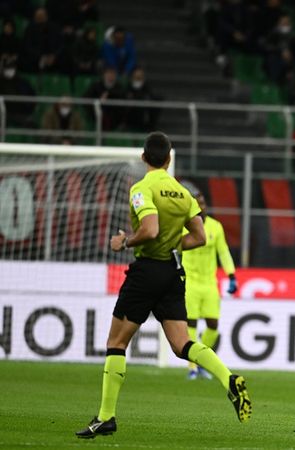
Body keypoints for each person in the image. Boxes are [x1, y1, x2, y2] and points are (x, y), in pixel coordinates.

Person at [75, 132, 251, 438]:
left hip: (146, 271)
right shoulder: (183, 194)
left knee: (116, 343)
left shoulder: (142, 188)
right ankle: (229, 379)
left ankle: (106, 416)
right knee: (182, 344)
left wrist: (125, 241)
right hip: (174, 273)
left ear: (144, 157)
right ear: (169, 159)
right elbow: (199, 237)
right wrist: (174, 246)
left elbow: (150, 228)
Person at [180, 182, 238, 380]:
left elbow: (223, 252)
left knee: (213, 325)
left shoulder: (216, 227)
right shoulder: (183, 226)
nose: (202, 205)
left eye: (203, 201)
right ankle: (192, 368)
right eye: (198, 202)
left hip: (209, 283)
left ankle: (202, 360)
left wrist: (231, 275)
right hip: (190, 282)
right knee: (192, 324)